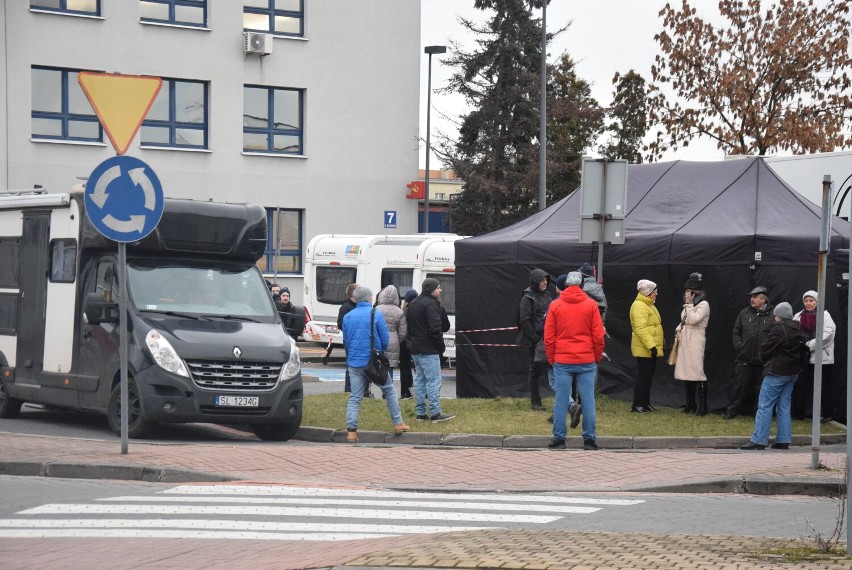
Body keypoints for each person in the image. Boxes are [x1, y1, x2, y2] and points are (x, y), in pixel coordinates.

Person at [544, 272, 605, 450]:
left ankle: (558, 439)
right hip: (586, 359)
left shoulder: (555, 306)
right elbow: (598, 336)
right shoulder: (591, 306)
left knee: (561, 400)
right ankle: (589, 439)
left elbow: (549, 336)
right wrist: (597, 356)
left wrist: (551, 358)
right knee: (588, 400)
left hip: (562, 360)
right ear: (581, 285)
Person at [342, 287, 409, 443]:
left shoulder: (348, 316)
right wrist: (381, 351)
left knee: (355, 397)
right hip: (373, 361)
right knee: (389, 390)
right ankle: (398, 423)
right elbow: (385, 336)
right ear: (367, 298)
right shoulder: (374, 313)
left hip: (354, 362)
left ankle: (351, 431)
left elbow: (346, 340)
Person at [741, 302, 806, 450]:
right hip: (792, 373)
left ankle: (759, 440)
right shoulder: (797, 328)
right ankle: (783, 440)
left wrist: (764, 359)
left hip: (777, 372)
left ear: (779, 316)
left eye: (776, 315)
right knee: (784, 406)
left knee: (765, 406)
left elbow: (765, 349)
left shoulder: (778, 329)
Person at [407, 277, 455, 422]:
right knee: (433, 381)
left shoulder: (413, 303)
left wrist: (411, 345)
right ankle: (435, 412)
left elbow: (409, 328)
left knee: (420, 381)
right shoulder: (431, 305)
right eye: (438, 287)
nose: (440, 290)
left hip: (415, 349)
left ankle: (420, 413)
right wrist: (441, 347)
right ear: (432, 289)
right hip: (429, 349)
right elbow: (436, 329)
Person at [724, 286, 775, 419]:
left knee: (762, 389)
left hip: (763, 358)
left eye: (755, 297)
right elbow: (736, 331)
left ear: (763, 299)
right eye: (751, 297)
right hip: (744, 357)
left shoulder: (773, 314)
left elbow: (776, 335)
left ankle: (758, 414)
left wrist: (768, 350)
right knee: (739, 387)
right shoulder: (744, 313)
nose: (752, 299)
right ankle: (731, 411)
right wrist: (740, 346)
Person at [792, 290, 836, 421]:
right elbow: (793, 332)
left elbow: (828, 335)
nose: (808, 303)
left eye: (811, 301)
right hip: (802, 358)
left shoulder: (825, 315)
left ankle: (827, 414)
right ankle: (799, 414)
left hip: (822, 358)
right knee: (800, 386)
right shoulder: (798, 316)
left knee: (823, 387)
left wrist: (808, 345)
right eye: (806, 301)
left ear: (817, 302)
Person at [673, 272, 710, 416]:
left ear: (696, 292)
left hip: (696, 339)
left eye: (689, 291)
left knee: (697, 371)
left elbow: (694, 319)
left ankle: (702, 406)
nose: (686, 294)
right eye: (686, 291)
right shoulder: (688, 306)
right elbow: (685, 320)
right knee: (687, 371)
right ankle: (690, 403)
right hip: (686, 339)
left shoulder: (704, 304)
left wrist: (688, 305)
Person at [516, 269, 554, 411]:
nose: (545, 283)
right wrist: (535, 338)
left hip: (548, 338)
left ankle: (564, 401)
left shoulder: (547, 295)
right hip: (536, 340)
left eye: (546, 280)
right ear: (535, 281)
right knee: (535, 370)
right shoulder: (528, 297)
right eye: (542, 280)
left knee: (553, 368)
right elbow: (524, 320)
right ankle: (535, 401)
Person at [630, 279, 663, 413]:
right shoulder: (639, 306)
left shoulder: (649, 305)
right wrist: (652, 346)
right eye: (655, 291)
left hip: (649, 347)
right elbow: (641, 328)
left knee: (648, 376)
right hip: (644, 347)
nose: (657, 294)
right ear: (648, 293)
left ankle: (645, 403)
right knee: (643, 376)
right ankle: (637, 404)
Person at [338, 283, 370, 397]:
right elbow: (340, 324)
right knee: (351, 365)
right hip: (351, 340)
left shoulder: (354, 306)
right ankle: (349, 389)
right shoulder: (346, 307)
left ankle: (361, 390)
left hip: (355, 339)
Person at [376, 284, 407, 389]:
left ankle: (372, 388)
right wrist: (397, 340)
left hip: (378, 340)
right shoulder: (399, 311)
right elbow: (403, 332)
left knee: (376, 364)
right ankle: (388, 391)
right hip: (393, 341)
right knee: (389, 366)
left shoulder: (376, 309)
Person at [398, 289, 418, 399]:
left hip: (404, 342)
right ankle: (419, 393)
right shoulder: (417, 310)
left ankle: (405, 392)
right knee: (419, 368)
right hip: (415, 342)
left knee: (405, 368)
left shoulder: (403, 312)